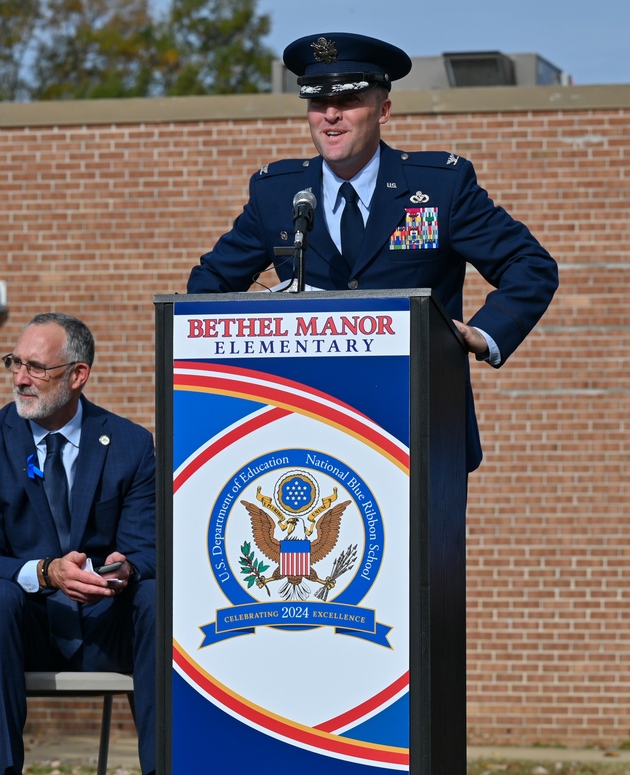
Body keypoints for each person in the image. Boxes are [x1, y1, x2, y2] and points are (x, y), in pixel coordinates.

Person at [187, 31, 559, 472]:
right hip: (302, 428)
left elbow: (530, 265)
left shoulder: (439, 187)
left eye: (346, 103)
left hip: (418, 427)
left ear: (383, 111)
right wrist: (254, 336)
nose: (330, 116)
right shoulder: (277, 193)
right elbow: (206, 287)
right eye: (317, 103)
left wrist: (483, 334)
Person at [0, 312, 157, 775]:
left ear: (78, 375)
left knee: (158, 594)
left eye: (37, 368)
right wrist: (45, 572)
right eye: (15, 363)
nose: (19, 378)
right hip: (22, 624)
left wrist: (125, 569)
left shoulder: (130, 444)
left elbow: (150, 548)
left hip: (106, 622)